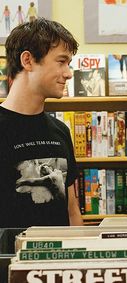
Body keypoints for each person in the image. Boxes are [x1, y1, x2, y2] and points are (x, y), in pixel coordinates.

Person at [0, 18, 83, 227]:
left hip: (58, 259)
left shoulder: (61, 131)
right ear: (27, 61)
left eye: (69, 64)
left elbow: (72, 211)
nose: (69, 73)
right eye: (61, 61)